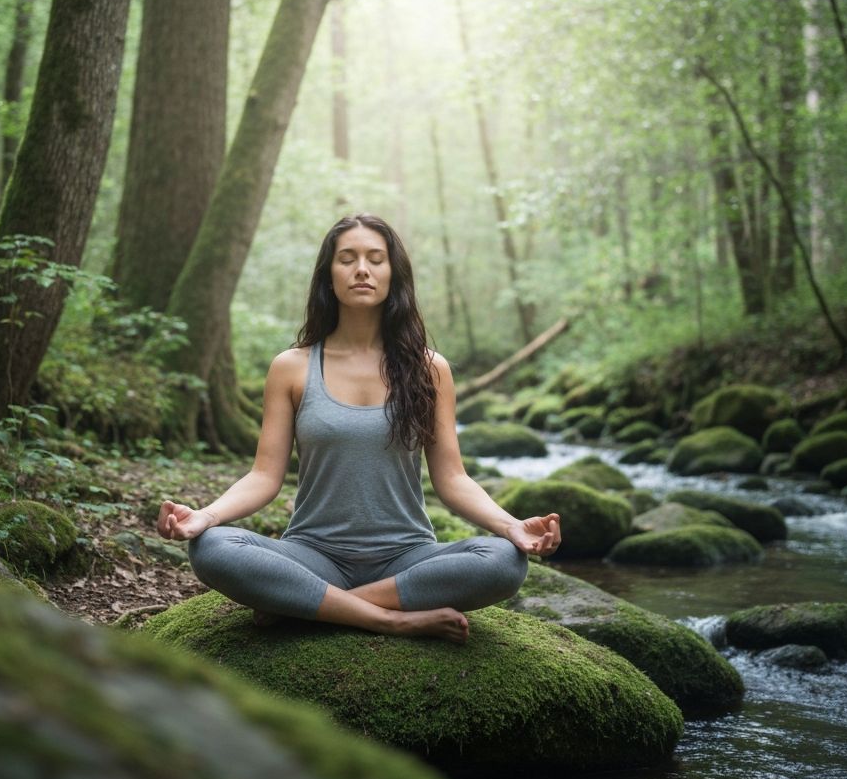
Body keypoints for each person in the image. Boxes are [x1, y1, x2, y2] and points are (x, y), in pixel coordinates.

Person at [157, 214, 561, 644]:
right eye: (347, 259)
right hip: (313, 554)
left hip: (406, 558)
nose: (362, 269)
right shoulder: (292, 367)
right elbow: (264, 476)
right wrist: (206, 516)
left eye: (375, 259)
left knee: (503, 560)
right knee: (213, 548)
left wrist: (510, 525)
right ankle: (388, 619)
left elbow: (453, 479)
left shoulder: (430, 370)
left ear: (393, 274)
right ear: (329, 277)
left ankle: (310, 606)